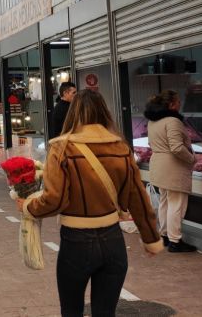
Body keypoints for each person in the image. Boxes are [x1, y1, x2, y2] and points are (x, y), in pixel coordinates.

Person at [18, 90, 163, 317]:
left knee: (71, 311)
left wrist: (27, 206)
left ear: (73, 113)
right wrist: (151, 239)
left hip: (76, 242)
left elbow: (55, 200)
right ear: (104, 112)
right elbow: (138, 198)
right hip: (113, 240)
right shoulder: (121, 147)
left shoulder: (61, 147)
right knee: (105, 312)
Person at [144, 90, 198, 253]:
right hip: (173, 167)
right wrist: (192, 159)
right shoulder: (173, 121)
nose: (180, 103)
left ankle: (165, 235)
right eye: (178, 101)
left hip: (158, 165)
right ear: (171, 104)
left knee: (165, 201)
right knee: (176, 203)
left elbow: (150, 141)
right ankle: (175, 241)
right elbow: (176, 147)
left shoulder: (153, 121)